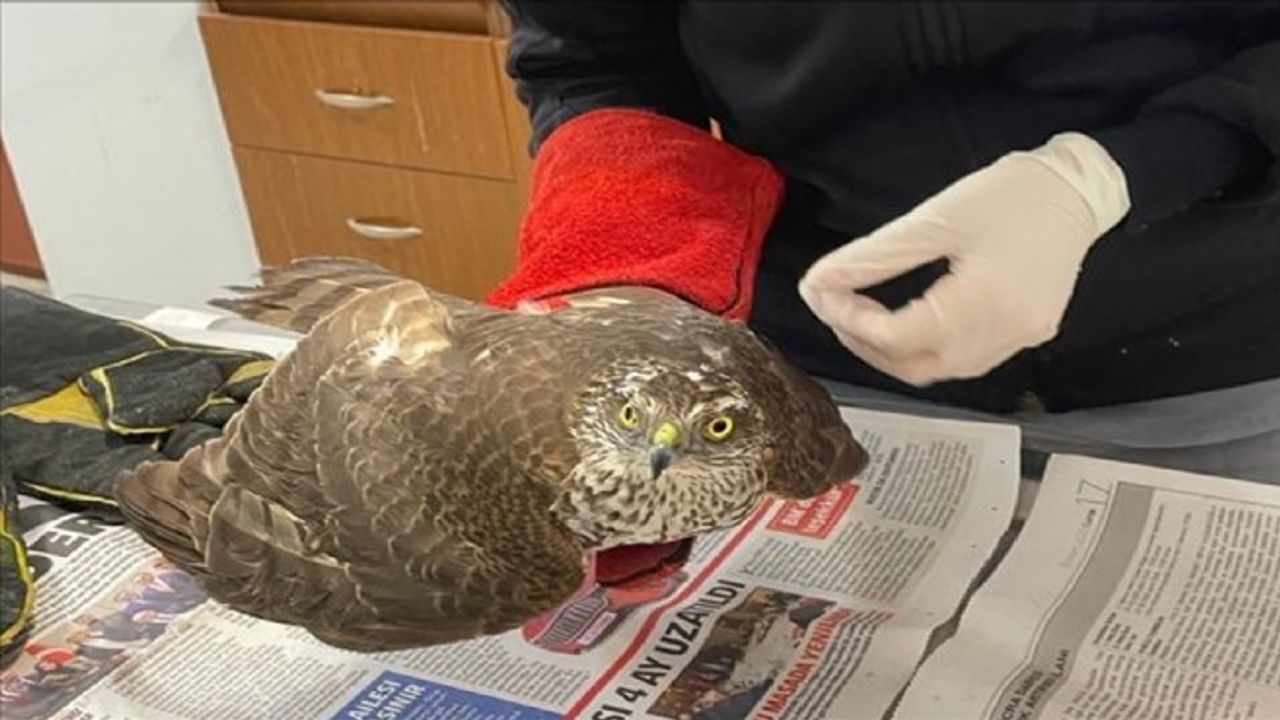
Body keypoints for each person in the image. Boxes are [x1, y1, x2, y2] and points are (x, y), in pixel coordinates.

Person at [488, 2, 1279, 482]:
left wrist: (1106, 178)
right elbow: (598, 67)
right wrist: (625, 269)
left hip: (1223, 368)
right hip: (824, 384)